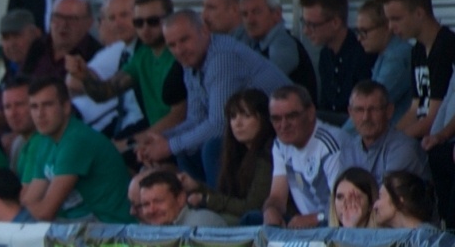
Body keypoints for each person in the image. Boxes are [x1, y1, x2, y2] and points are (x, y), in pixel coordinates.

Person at [132, 11, 289, 185]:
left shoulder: (222, 57)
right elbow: (196, 118)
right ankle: (203, 201)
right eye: (172, 45)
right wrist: (161, 139)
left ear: (204, 31)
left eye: (184, 40)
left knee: (212, 147)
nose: (179, 50)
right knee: (186, 149)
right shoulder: (190, 61)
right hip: (249, 129)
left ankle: (221, 207)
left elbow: (220, 125)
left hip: (282, 127)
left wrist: (168, 146)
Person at [381, 0, 455, 219]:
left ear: (420, 13)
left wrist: (395, 142)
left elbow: (434, 115)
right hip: (422, 136)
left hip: (438, 139)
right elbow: (415, 108)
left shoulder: (446, 46)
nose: (391, 27)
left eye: (396, 19)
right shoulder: (417, 50)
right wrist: (387, 136)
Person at [21, 78, 134, 223]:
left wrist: (19, 210)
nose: (40, 114)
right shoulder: (46, 140)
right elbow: (30, 199)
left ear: (67, 107)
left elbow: (45, 212)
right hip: (81, 225)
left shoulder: (77, 140)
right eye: (34, 107)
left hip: (111, 227)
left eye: (47, 105)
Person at [69, 0, 179, 129]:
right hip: (146, 134)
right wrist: (84, 76)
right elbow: (105, 92)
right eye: (139, 22)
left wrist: (139, 141)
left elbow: (180, 116)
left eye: (153, 21)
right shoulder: (141, 55)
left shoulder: (179, 53)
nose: (145, 28)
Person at [181, 88, 274, 224]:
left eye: (246, 116)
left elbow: (252, 207)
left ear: (263, 118)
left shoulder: (269, 153)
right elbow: (228, 199)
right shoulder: (235, 154)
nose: (237, 123)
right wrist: (197, 187)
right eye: (233, 116)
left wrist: (205, 200)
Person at [261, 85, 345, 228]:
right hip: (304, 224)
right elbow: (277, 196)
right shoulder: (281, 145)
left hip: (335, 223)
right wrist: (271, 210)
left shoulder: (330, 144)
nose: (283, 125)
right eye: (276, 119)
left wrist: (314, 219)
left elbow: (346, 204)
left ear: (311, 112)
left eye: (291, 116)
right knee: (250, 219)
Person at [299, 0, 374, 125]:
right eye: (304, 23)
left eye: (312, 25)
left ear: (335, 23)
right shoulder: (325, 56)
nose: (306, 31)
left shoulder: (362, 54)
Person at [334, 79, 430, 183]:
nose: (366, 117)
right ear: (350, 113)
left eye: (373, 109)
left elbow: (388, 197)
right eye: (359, 110)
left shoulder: (404, 149)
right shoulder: (348, 149)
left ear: (389, 111)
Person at [239, 0, 315, 98]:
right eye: (245, 14)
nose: (250, 20)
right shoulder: (253, 43)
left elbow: (262, 87)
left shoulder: (283, 44)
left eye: (256, 12)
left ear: (277, 14)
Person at [358, 0, 415, 124]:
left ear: (386, 27)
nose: (359, 38)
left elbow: (370, 104)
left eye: (364, 31)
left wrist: (340, 138)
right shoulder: (385, 53)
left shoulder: (397, 57)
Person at [136, 169, 225, 227]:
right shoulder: (144, 232)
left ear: (180, 199)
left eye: (158, 201)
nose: (151, 210)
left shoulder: (201, 224)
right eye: (146, 204)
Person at [0, 76, 37, 170]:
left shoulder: (48, 143)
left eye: (19, 105)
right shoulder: (18, 143)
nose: (13, 113)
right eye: (7, 107)